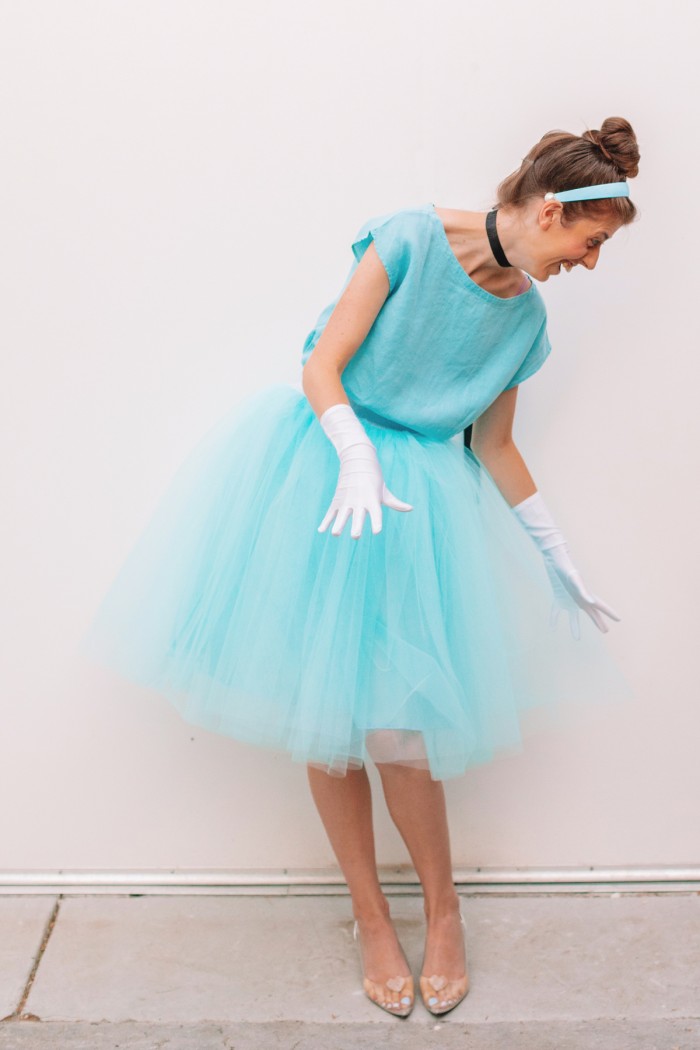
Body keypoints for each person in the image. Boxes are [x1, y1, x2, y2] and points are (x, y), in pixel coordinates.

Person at [80, 116, 640, 1018]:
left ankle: (444, 913)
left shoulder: (526, 322)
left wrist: (555, 553)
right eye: (593, 240)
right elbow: (323, 362)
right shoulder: (409, 237)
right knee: (330, 716)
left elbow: (493, 445)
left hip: (417, 511)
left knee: (400, 732)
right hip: (326, 477)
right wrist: (352, 451)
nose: (591, 262)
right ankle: (371, 915)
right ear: (547, 210)